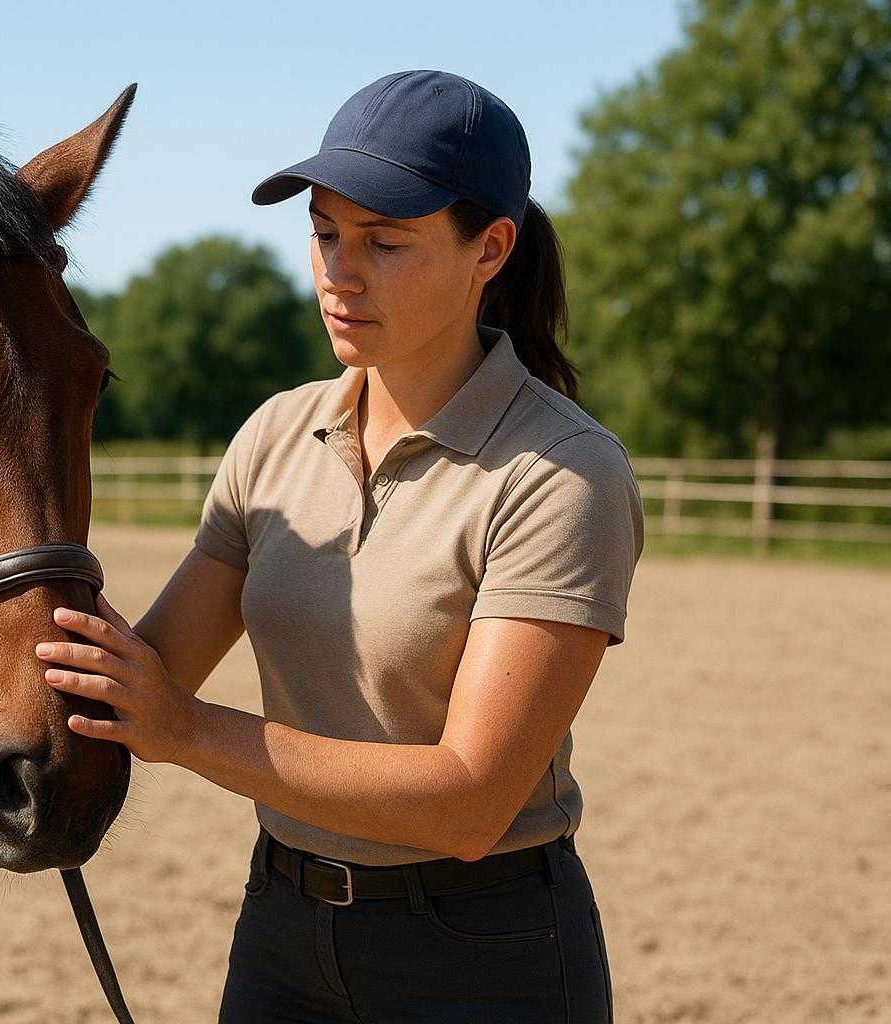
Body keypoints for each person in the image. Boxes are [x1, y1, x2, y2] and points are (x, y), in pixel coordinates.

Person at [35, 69, 642, 1022]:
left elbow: (469, 803)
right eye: (324, 233)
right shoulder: (275, 436)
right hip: (281, 929)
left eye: (384, 242)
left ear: (490, 249)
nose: (337, 271)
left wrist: (187, 731)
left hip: (482, 953)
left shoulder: (563, 474)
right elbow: (152, 672)